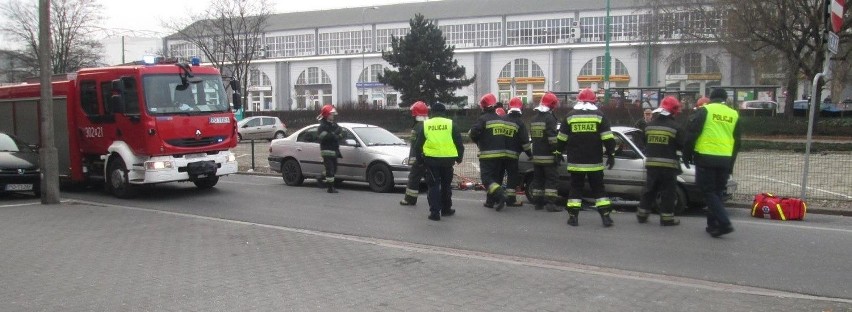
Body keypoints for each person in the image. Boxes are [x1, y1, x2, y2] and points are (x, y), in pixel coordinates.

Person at [683, 88, 742, 237]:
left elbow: (692, 134)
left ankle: (724, 223)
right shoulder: (734, 114)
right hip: (725, 159)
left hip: (705, 157)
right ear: (725, 99)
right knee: (717, 193)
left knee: (708, 192)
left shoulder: (705, 111)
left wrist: (686, 155)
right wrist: (731, 164)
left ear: (711, 98)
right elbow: (737, 142)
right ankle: (712, 224)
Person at [555, 88, 616, 227]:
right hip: (594, 161)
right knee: (599, 189)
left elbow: (561, 138)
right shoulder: (600, 116)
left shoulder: (570, 116)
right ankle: (606, 217)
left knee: (575, 188)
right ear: (593, 101)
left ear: (579, 100)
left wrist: (558, 152)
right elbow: (608, 137)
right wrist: (611, 154)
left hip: (576, 162)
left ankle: (573, 218)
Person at [637, 96, 687, 226]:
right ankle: (666, 218)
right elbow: (682, 145)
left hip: (651, 164)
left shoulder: (649, 126)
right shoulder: (676, 127)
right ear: (673, 111)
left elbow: (643, 142)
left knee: (649, 189)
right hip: (668, 166)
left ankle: (642, 214)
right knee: (668, 192)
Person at [412, 103, 464, 221]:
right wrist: (459, 158)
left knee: (434, 186)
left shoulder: (426, 124)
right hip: (448, 160)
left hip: (431, 160)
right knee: (446, 185)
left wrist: (420, 161)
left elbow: (418, 146)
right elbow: (459, 144)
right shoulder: (451, 124)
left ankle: (435, 213)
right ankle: (446, 209)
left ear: (432, 112)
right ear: (444, 112)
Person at [469, 93, 518, 211]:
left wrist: (478, 141)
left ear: (483, 106)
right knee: (495, 179)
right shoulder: (501, 119)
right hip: (501, 155)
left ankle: (501, 194)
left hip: (488, 155)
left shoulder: (483, 119)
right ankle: (490, 201)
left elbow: (472, 133)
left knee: (487, 179)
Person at [528, 92, 562, 212]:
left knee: (538, 180)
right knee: (551, 180)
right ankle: (551, 204)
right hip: (548, 157)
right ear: (552, 105)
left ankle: (538, 203)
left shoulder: (533, 119)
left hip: (537, 155)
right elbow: (552, 138)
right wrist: (556, 152)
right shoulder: (550, 118)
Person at [503, 97, 532, 207]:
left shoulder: (502, 119)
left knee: (498, 175)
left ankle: (494, 199)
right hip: (512, 156)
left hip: (499, 154)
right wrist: (530, 155)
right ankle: (510, 200)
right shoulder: (520, 123)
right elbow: (525, 142)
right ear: (521, 109)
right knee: (512, 177)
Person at [400, 101, 430, 206]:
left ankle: (409, 199)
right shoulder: (428, 124)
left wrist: (417, 159)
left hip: (419, 159)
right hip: (429, 157)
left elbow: (415, 145)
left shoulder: (418, 127)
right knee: (431, 180)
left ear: (415, 115)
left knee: (413, 179)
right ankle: (437, 199)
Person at [317, 104, 343, 193]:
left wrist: (337, 135)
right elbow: (323, 137)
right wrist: (334, 135)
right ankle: (330, 188)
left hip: (334, 150)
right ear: (327, 115)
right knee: (330, 170)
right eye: (331, 114)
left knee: (334, 169)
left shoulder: (334, 124)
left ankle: (320, 177)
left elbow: (341, 133)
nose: (333, 115)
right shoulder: (322, 126)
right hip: (326, 151)